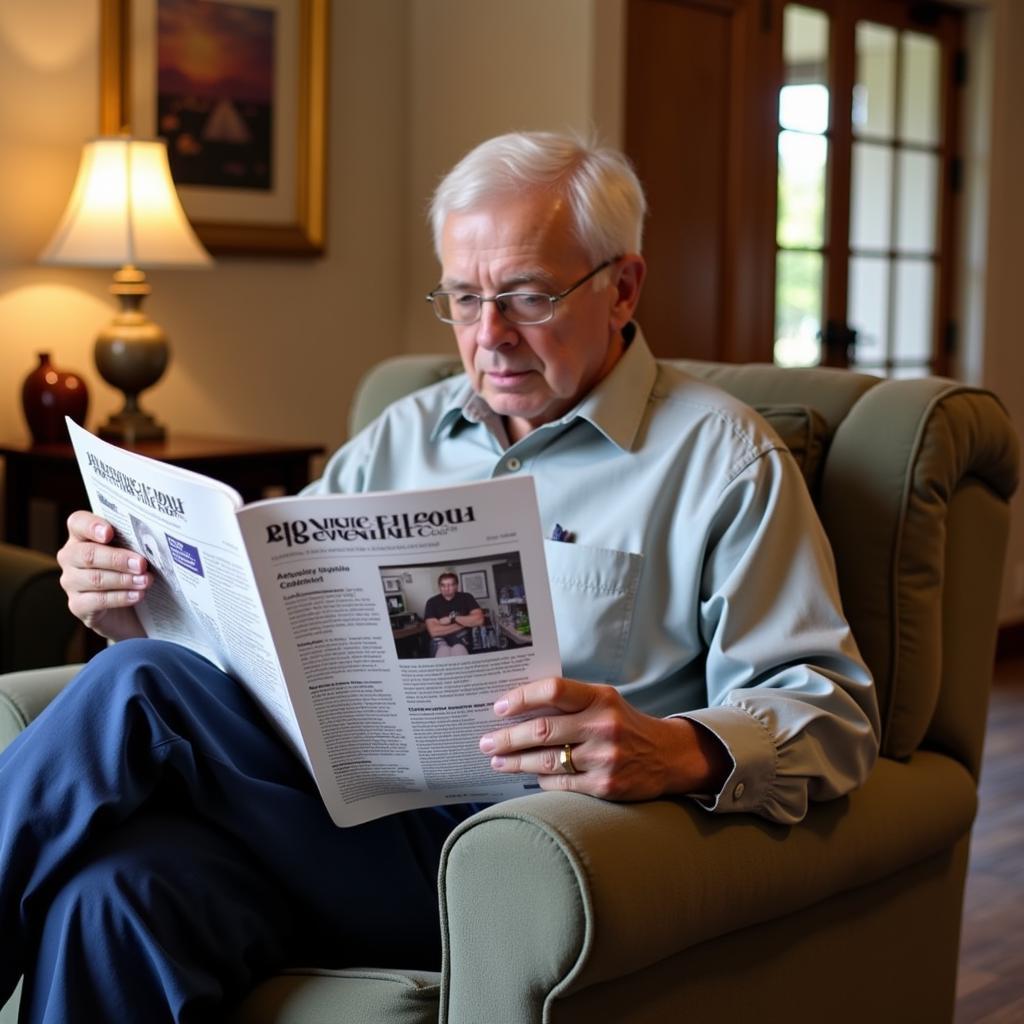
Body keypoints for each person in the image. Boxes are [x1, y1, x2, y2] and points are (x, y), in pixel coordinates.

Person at [0, 131, 879, 1021]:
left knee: (140, 689)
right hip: (334, 820)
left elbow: (833, 711)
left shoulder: (722, 460)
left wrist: (679, 747)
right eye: (462, 299)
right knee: (113, 893)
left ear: (624, 288)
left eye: (527, 297)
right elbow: (264, 610)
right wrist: (135, 598)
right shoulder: (402, 434)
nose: (489, 336)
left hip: (513, 859)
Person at [423, 571, 484, 656]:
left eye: (450, 585)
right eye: (443, 585)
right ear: (439, 587)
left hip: (462, 640)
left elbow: (479, 620)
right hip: (440, 642)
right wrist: (465, 624)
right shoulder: (432, 602)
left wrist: (453, 618)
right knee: (444, 650)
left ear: (456, 586)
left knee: (458, 649)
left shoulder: (466, 597)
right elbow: (434, 631)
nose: (446, 588)